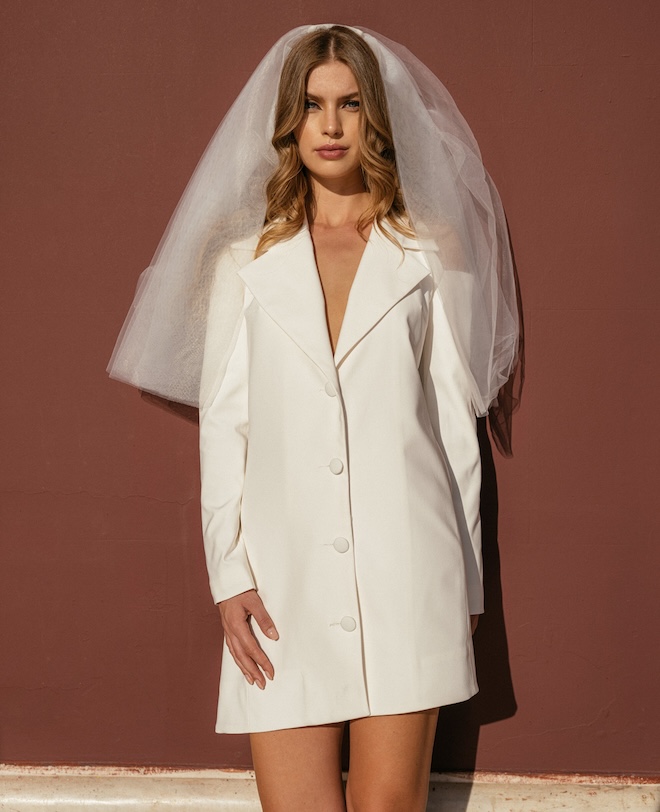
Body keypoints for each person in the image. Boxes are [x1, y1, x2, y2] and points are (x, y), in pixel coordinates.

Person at [109, 24, 519, 812]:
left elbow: (454, 429)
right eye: (311, 105)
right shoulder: (244, 265)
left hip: (410, 571)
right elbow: (226, 429)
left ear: (376, 119)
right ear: (287, 124)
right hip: (282, 579)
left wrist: (463, 587)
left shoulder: (430, 254)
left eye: (351, 104)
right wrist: (229, 576)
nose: (330, 125)